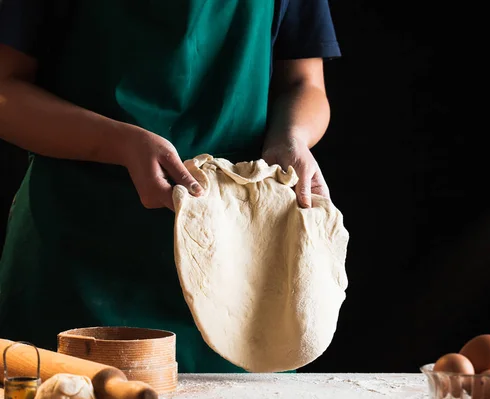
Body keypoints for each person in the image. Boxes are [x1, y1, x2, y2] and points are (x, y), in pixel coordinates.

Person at [0, 0, 341, 372]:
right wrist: (116, 142)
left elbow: (303, 83)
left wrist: (291, 137)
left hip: (241, 261)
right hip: (76, 242)